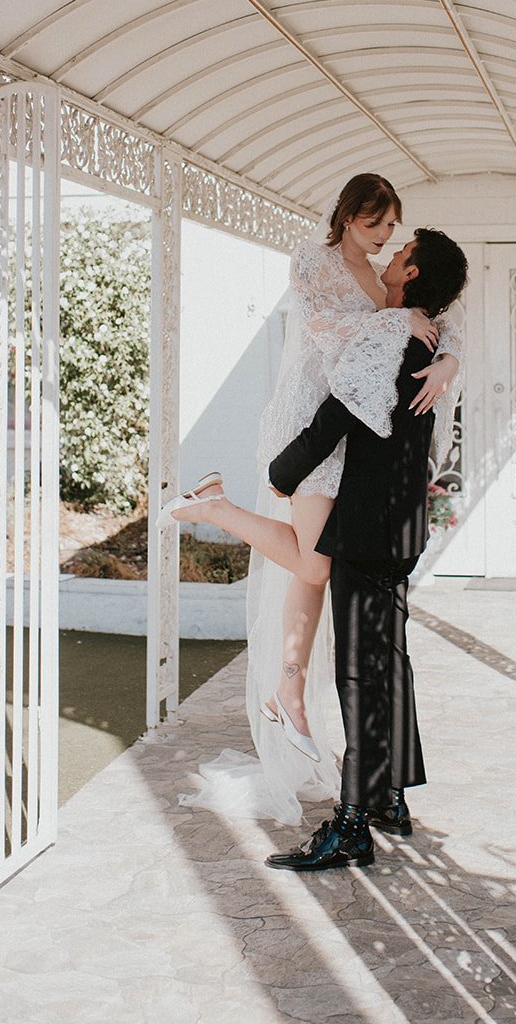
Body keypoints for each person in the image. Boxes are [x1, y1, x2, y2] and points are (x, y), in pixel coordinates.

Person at [170, 176, 463, 824]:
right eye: (374, 226)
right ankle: (220, 516)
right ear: (347, 219)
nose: (384, 238)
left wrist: (447, 360)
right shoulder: (317, 263)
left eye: (392, 229)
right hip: (314, 422)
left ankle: (292, 692)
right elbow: (333, 339)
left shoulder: (396, 289)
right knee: (315, 565)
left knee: (316, 567)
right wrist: (397, 326)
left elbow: (443, 321)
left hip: (349, 437)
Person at [223, 228, 470, 870]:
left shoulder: (389, 333)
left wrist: (281, 472)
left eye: (401, 250)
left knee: (362, 671)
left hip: (366, 524)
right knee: (390, 659)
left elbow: (337, 414)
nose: (390, 254)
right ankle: (389, 796)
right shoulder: (432, 334)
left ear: (412, 274)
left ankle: (353, 821)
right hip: (403, 524)